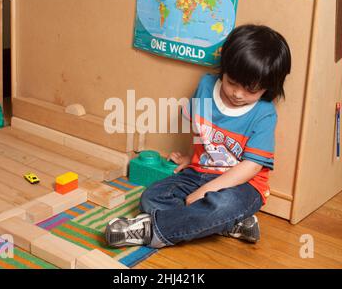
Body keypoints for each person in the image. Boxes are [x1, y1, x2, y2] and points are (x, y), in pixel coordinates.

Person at [105, 24, 292, 249]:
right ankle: (227, 223)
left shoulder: (264, 113)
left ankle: (152, 231)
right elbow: (200, 128)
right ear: (225, 68)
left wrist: (206, 191)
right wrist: (191, 157)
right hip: (199, 172)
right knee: (151, 198)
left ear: (267, 88)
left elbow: (251, 167)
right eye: (232, 82)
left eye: (251, 90)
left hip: (244, 185)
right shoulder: (205, 86)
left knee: (221, 204)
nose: (238, 94)